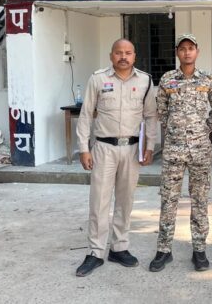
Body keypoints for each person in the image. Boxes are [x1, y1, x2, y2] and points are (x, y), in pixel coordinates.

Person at [74, 38, 158, 277]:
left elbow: (151, 116)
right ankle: (95, 252)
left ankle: (119, 248)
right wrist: (83, 148)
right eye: (119, 52)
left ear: (134, 56)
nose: (123, 57)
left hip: (132, 149)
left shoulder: (145, 81)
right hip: (104, 148)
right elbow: (86, 114)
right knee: (99, 201)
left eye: (128, 53)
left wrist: (150, 146)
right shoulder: (98, 79)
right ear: (111, 55)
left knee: (125, 200)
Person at [149, 34, 212, 273]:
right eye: (183, 48)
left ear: (197, 51)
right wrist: (174, 130)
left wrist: (204, 129)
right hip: (173, 149)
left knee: (199, 200)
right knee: (168, 199)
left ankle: (199, 250)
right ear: (177, 52)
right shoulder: (167, 79)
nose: (187, 52)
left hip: (200, 149)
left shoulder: (208, 79)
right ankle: (163, 250)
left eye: (191, 48)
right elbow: (162, 110)